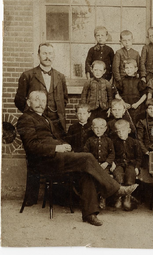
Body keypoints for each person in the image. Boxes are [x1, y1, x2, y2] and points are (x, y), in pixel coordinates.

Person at [17, 90, 138, 226]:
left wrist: (65, 145)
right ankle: (116, 189)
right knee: (87, 158)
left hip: (57, 158)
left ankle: (89, 214)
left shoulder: (45, 118)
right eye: (37, 100)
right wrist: (57, 148)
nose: (41, 103)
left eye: (43, 100)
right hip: (44, 161)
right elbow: (31, 146)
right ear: (28, 102)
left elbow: (57, 138)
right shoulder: (25, 119)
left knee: (87, 172)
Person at [14, 43, 68, 138]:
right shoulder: (27, 75)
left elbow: (64, 100)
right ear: (38, 55)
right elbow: (19, 101)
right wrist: (32, 115)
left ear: (54, 56)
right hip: (36, 124)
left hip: (57, 124)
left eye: (50, 53)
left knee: (59, 149)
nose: (48, 57)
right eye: (44, 53)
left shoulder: (61, 77)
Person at [83, 118, 116, 210]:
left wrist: (107, 162)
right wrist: (94, 162)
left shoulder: (108, 140)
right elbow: (86, 152)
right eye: (96, 128)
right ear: (92, 128)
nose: (98, 130)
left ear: (105, 128)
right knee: (93, 178)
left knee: (104, 177)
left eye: (101, 128)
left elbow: (112, 153)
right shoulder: (89, 140)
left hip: (104, 165)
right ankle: (94, 200)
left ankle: (103, 197)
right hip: (94, 165)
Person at [112, 119, 143, 211]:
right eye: (118, 131)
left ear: (129, 131)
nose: (121, 133)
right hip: (118, 163)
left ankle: (127, 197)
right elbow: (112, 154)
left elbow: (139, 157)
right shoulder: (114, 142)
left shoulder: (134, 142)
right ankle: (119, 196)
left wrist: (137, 167)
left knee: (130, 173)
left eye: (123, 131)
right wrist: (113, 162)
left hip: (131, 164)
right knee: (118, 174)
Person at [115, 59, 147, 124]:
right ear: (124, 70)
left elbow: (144, 95)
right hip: (125, 107)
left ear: (136, 69)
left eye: (131, 68)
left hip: (137, 107)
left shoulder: (139, 82)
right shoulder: (121, 81)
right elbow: (116, 94)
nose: (129, 70)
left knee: (137, 123)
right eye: (127, 68)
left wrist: (137, 104)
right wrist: (124, 104)